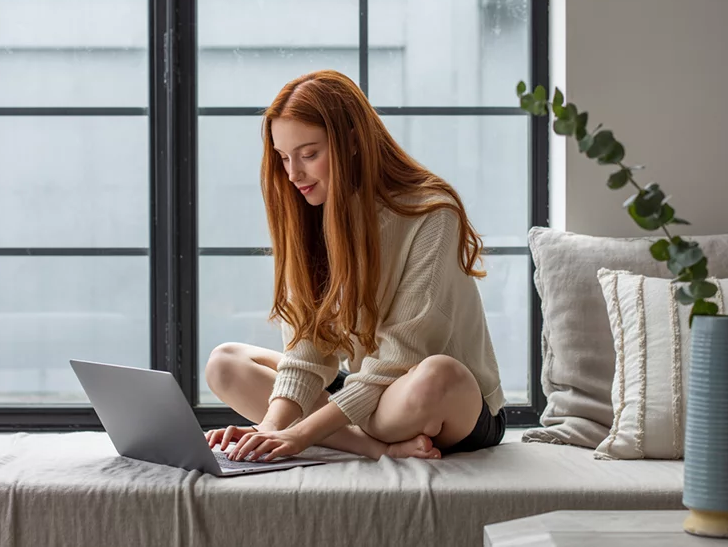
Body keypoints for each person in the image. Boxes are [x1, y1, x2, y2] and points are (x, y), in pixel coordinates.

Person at [204, 70, 506, 462]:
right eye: (283, 157)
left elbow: (402, 358)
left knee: (438, 375)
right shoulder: (311, 218)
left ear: (350, 143)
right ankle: (374, 448)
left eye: (309, 154)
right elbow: (307, 349)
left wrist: (299, 434)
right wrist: (271, 427)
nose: (293, 174)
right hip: (371, 396)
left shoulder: (431, 213)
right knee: (225, 364)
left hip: (440, 399)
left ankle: (354, 433)